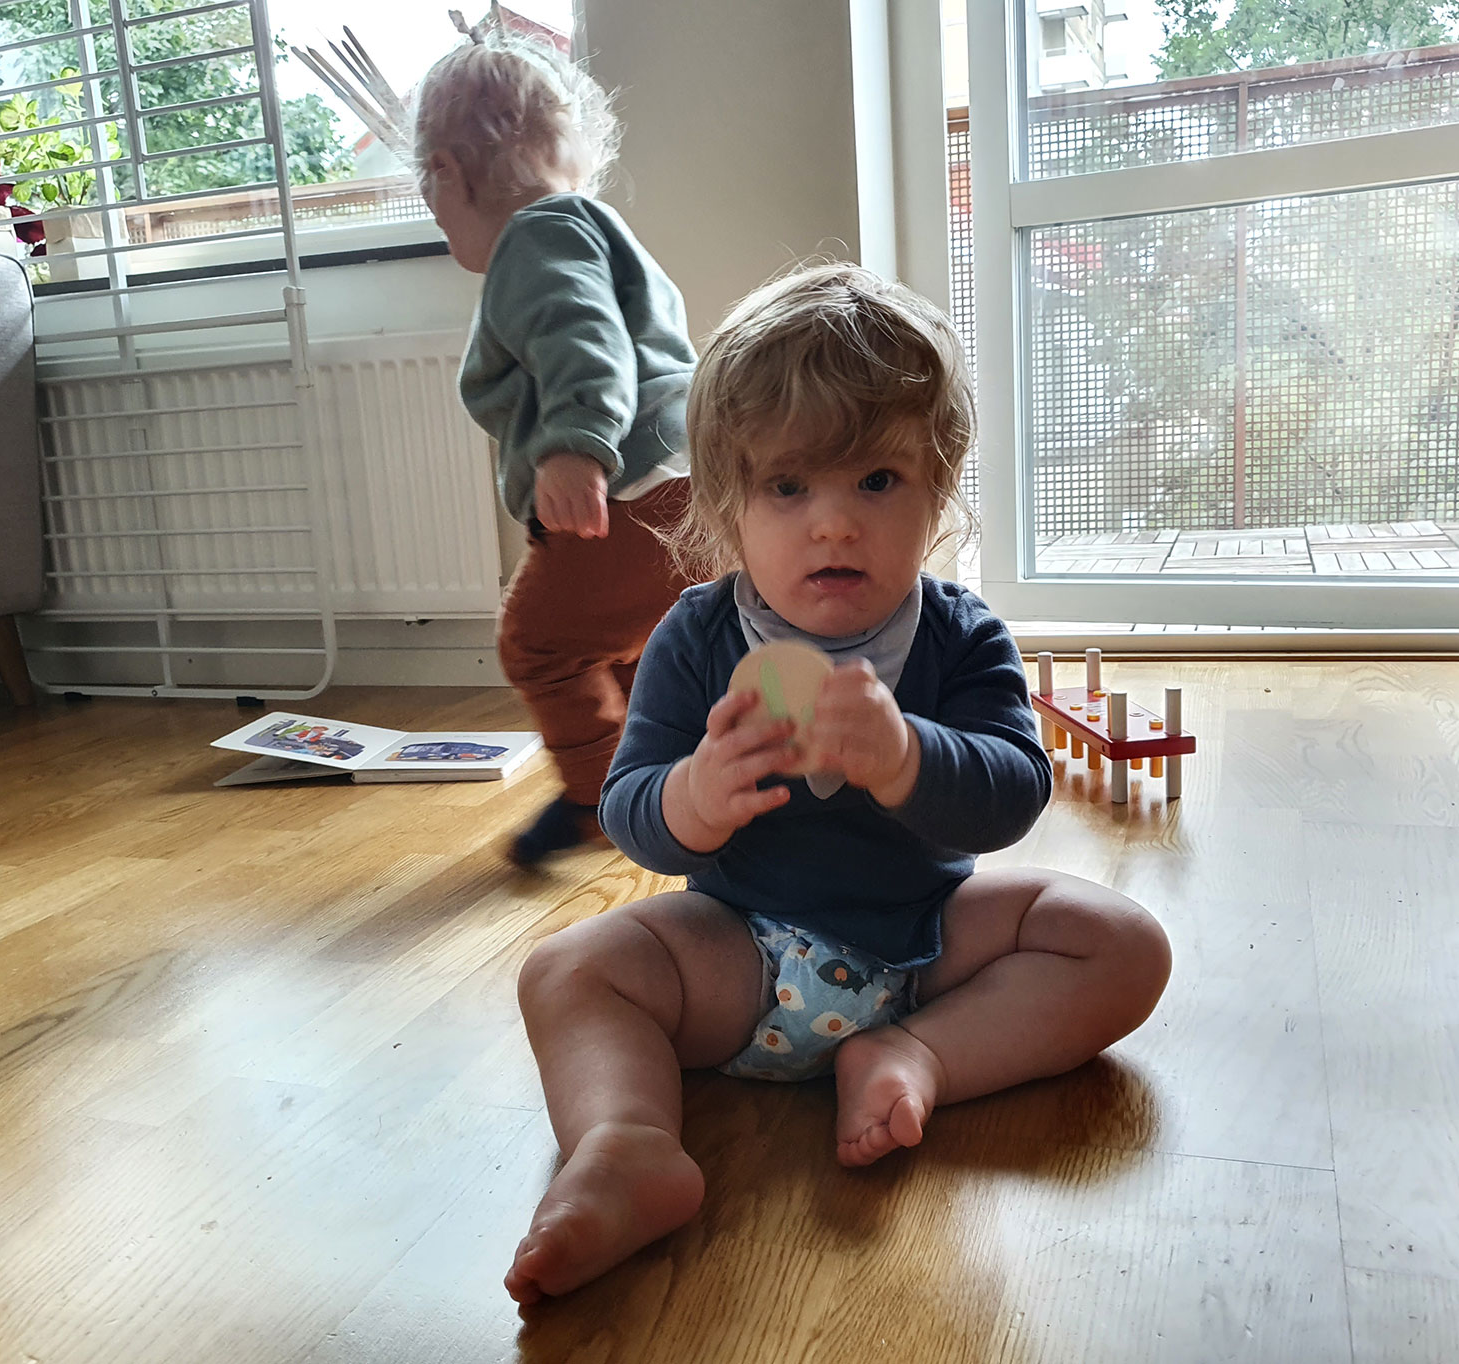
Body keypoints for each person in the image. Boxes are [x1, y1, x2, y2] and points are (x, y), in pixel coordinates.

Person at [503, 263, 1173, 1305]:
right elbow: (631, 806)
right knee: (566, 969)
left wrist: (906, 756)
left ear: (938, 490)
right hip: (735, 952)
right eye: (788, 487)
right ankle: (628, 1143)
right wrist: (693, 797)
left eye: (877, 481)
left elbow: (1015, 790)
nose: (833, 523)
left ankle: (918, 1057)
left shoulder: (960, 634)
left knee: (1122, 941)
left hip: (931, 944)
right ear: (726, 506)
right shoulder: (696, 635)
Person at [414, 23, 696, 866]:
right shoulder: (589, 227)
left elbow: (582, 336)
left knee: (538, 641)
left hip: (636, 485)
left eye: (434, 205)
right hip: (696, 483)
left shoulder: (535, 236)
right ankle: (667, 779)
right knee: (639, 645)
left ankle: (603, 803)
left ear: (447, 175)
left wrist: (576, 446)